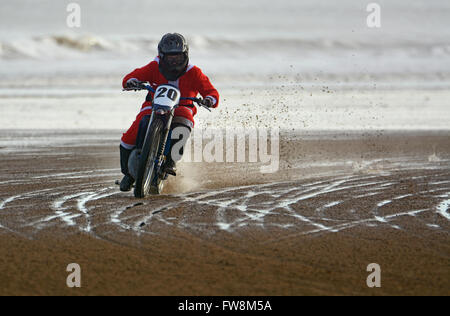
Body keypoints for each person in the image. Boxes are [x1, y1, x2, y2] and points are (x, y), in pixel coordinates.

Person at [119, 33, 219, 192]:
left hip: (182, 107)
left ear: (185, 56)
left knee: (185, 121)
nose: (173, 62)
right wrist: (131, 82)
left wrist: (209, 100)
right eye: (170, 58)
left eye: (178, 58)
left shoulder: (194, 72)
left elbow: (212, 92)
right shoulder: (153, 66)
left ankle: (171, 162)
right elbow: (130, 77)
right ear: (161, 56)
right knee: (128, 139)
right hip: (152, 106)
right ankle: (129, 174)